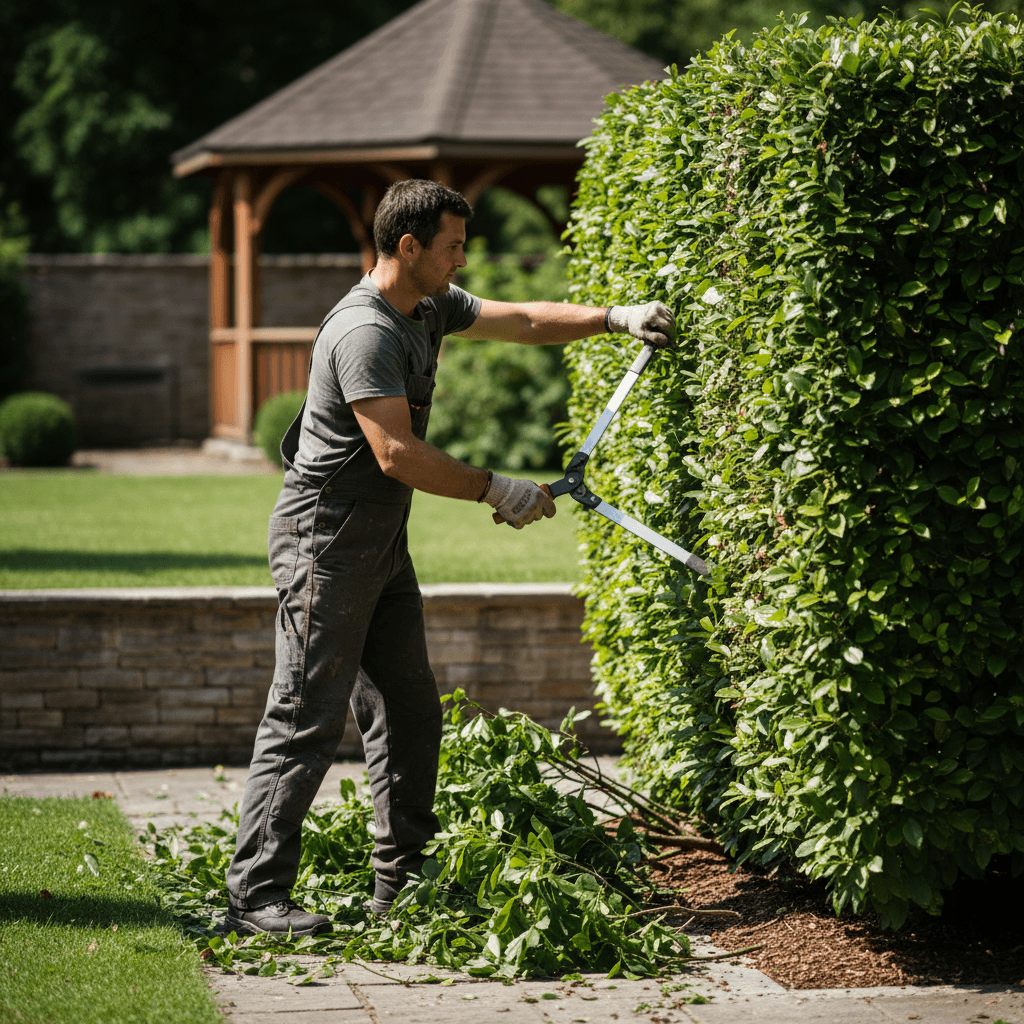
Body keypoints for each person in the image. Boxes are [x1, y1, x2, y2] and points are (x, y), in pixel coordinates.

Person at [224, 179, 675, 937]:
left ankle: (400, 885)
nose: (463, 260)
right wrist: (496, 488)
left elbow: (526, 318)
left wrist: (616, 318)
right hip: (324, 541)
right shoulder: (364, 331)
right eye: (453, 247)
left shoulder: (429, 304)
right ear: (409, 248)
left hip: (378, 541)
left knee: (407, 708)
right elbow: (396, 453)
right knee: (307, 713)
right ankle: (255, 896)